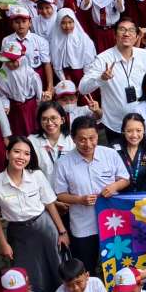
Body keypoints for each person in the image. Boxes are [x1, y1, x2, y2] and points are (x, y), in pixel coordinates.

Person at [0, 136, 69, 292]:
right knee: (29, 273)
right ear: (7, 154)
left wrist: (62, 232)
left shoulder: (36, 176)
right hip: (18, 233)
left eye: (27, 154)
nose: (22, 157)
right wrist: (3, 243)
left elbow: (50, 204)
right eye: (17, 152)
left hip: (45, 228)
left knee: (56, 268)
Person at [53, 117, 130, 274]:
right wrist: (79, 200)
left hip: (112, 223)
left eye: (92, 138)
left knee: (117, 265)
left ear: (97, 135)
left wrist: (114, 186)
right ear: (73, 139)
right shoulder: (63, 163)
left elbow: (125, 179)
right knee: (86, 266)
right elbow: (59, 194)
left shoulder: (110, 154)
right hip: (83, 226)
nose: (87, 144)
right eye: (81, 140)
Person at [78, 17, 146, 146]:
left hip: (143, 121)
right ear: (115, 35)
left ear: (136, 36)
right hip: (115, 124)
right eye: (122, 30)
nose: (126, 33)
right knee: (119, 162)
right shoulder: (103, 59)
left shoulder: (144, 55)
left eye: (131, 30)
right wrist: (101, 79)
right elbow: (82, 88)